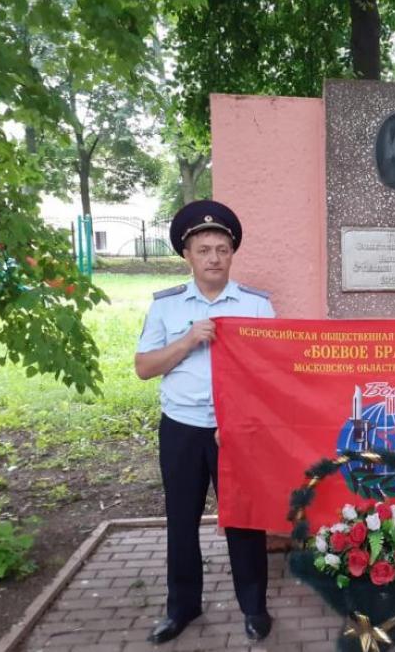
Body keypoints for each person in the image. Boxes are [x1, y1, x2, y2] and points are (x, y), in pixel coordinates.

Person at [135, 200, 275, 644]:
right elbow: (144, 367)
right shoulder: (166, 307)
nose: (214, 258)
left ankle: (254, 608)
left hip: (236, 431)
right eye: (204, 250)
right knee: (181, 521)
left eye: (221, 249)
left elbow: (270, 373)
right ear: (187, 255)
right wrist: (188, 339)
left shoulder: (256, 306)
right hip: (181, 428)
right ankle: (182, 608)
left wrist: (240, 418)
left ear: (231, 255)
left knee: (244, 521)